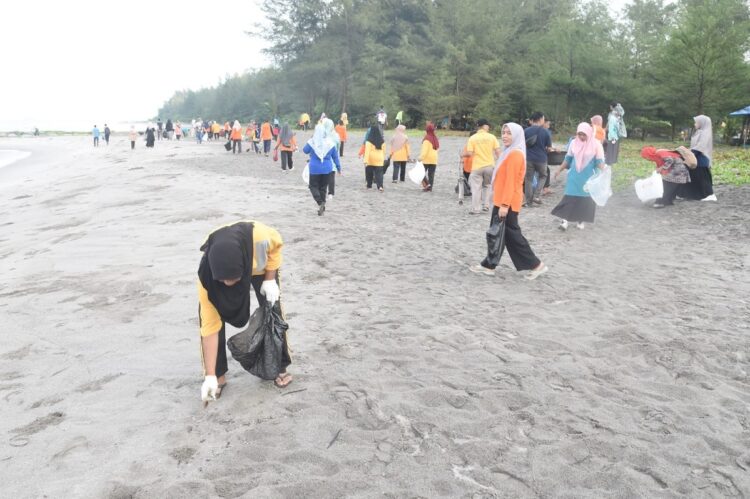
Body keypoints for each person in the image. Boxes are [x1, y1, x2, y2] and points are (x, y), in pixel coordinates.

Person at [197, 220, 291, 402]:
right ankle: (217, 376)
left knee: (273, 309)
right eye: (225, 281)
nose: (229, 285)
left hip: (259, 265)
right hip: (224, 270)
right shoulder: (207, 278)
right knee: (210, 315)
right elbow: (210, 328)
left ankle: (279, 365)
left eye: (234, 279)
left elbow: (276, 247)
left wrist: (269, 279)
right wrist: (209, 375)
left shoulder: (263, 237)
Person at [469, 123, 548, 280]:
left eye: (509, 133)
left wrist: (504, 205)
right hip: (503, 200)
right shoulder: (509, 152)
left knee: (512, 236)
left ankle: (537, 265)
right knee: (500, 234)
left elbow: (512, 182)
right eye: (503, 132)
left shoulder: (515, 155)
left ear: (517, 136)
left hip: (508, 203)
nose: (504, 136)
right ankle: (489, 265)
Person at [551, 123, 605, 231]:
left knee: (584, 200)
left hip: (588, 177)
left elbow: (599, 162)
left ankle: (581, 220)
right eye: (579, 134)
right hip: (574, 176)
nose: (581, 137)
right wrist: (559, 170)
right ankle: (564, 221)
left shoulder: (596, 144)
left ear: (589, 133)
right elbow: (568, 159)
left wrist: (604, 173)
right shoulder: (573, 143)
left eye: (583, 134)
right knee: (569, 198)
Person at [463, 119, 501, 214]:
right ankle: (486, 205)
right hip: (489, 165)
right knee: (487, 185)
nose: (488, 127)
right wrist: (500, 163)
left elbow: (469, 153)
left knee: (476, 188)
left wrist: (462, 154)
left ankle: (476, 209)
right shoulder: (492, 137)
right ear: (485, 126)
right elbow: (498, 152)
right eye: (488, 125)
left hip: (477, 166)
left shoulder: (473, 138)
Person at [303, 123, 341, 215]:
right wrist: (339, 167)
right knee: (323, 188)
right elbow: (335, 157)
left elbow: (305, 150)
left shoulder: (312, 142)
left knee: (313, 186)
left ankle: (320, 202)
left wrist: (311, 139)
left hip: (314, 168)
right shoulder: (330, 143)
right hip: (327, 168)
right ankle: (322, 207)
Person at [681, 115, 716, 201]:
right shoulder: (699, 132)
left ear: (701, 123)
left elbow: (700, 147)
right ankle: (691, 195)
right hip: (695, 157)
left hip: (701, 159)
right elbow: (695, 146)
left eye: (696, 122)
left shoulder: (705, 133)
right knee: (694, 177)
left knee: (702, 179)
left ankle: (709, 195)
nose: (694, 124)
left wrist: (689, 154)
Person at [523, 112, 551, 206]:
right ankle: (536, 196)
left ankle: (528, 202)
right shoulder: (545, 131)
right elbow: (549, 148)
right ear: (540, 119)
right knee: (543, 176)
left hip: (528, 158)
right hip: (541, 159)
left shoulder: (526, 131)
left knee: (528, 179)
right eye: (543, 118)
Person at [363, 125, 387, 191]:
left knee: (369, 173)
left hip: (371, 159)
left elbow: (367, 152)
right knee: (379, 174)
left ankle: (369, 185)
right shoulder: (382, 141)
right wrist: (383, 158)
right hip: (379, 159)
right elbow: (384, 152)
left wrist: (365, 161)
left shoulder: (368, 141)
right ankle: (380, 186)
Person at [323, 119, 340, 199]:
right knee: (331, 176)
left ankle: (323, 191)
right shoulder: (336, 135)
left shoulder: (322, 135)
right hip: (333, 159)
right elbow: (338, 146)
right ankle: (331, 193)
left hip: (323, 159)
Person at [419, 122, 439, 191]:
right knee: (431, 174)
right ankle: (430, 187)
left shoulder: (427, 139)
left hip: (426, 159)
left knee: (421, 173)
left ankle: (427, 185)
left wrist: (420, 158)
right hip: (434, 159)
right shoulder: (435, 138)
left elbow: (425, 151)